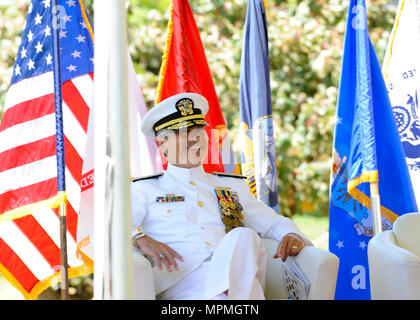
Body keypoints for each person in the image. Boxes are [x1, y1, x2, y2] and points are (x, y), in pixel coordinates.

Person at [131, 92, 311, 300]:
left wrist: (292, 235)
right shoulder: (145, 189)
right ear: (161, 144)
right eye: (183, 132)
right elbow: (108, 231)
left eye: (199, 130)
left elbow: (272, 223)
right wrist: (138, 237)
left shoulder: (231, 186)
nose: (195, 138)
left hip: (234, 278)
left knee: (243, 235)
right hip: (182, 283)